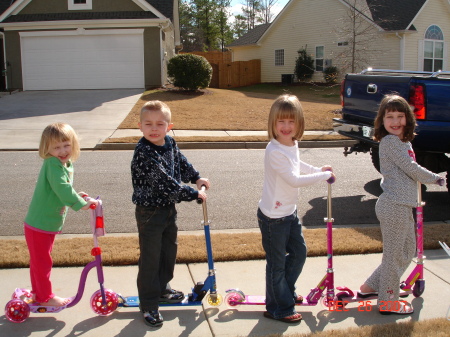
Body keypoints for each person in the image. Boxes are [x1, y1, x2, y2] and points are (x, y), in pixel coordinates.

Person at [359, 94, 445, 315]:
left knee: (407, 251)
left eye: (400, 116)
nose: (395, 121)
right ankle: (388, 301)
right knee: (394, 255)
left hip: (402, 204)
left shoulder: (401, 142)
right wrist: (437, 178)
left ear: (408, 118)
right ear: (382, 121)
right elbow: (412, 169)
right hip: (394, 205)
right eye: (390, 117)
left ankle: (371, 287)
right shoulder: (390, 142)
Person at [131, 100, 210, 328]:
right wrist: (192, 193)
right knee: (151, 258)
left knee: (168, 252)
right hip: (150, 212)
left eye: (159, 124)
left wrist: (196, 178)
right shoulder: (144, 153)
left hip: (167, 209)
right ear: (140, 126)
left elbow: (181, 163)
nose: (154, 129)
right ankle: (148, 304)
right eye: (148, 124)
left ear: (169, 126)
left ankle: (162, 289)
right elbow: (164, 183)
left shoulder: (169, 143)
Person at [258, 94, 335, 323]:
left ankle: (285, 292)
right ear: (273, 123)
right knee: (277, 264)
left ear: (299, 123)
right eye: (281, 121)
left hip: (289, 213)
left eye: (291, 121)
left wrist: (318, 169)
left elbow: (298, 165)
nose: (286, 126)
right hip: (273, 218)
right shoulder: (274, 151)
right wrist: (325, 176)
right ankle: (278, 308)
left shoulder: (291, 143)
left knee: (299, 253)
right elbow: (293, 179)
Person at [24, 123, 98, 307]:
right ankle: (44, 297)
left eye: (66, 145)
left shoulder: (64, 163)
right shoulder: (52, 163)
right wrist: (81, 204)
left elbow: (60, 189)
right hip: (40, 223)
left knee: (39, 261)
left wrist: (77, 196)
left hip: (45, 223)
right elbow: (61, 188)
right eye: (56, 147)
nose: (63, 150)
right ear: (47, 149)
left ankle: (38, 293)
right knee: (42, 263)